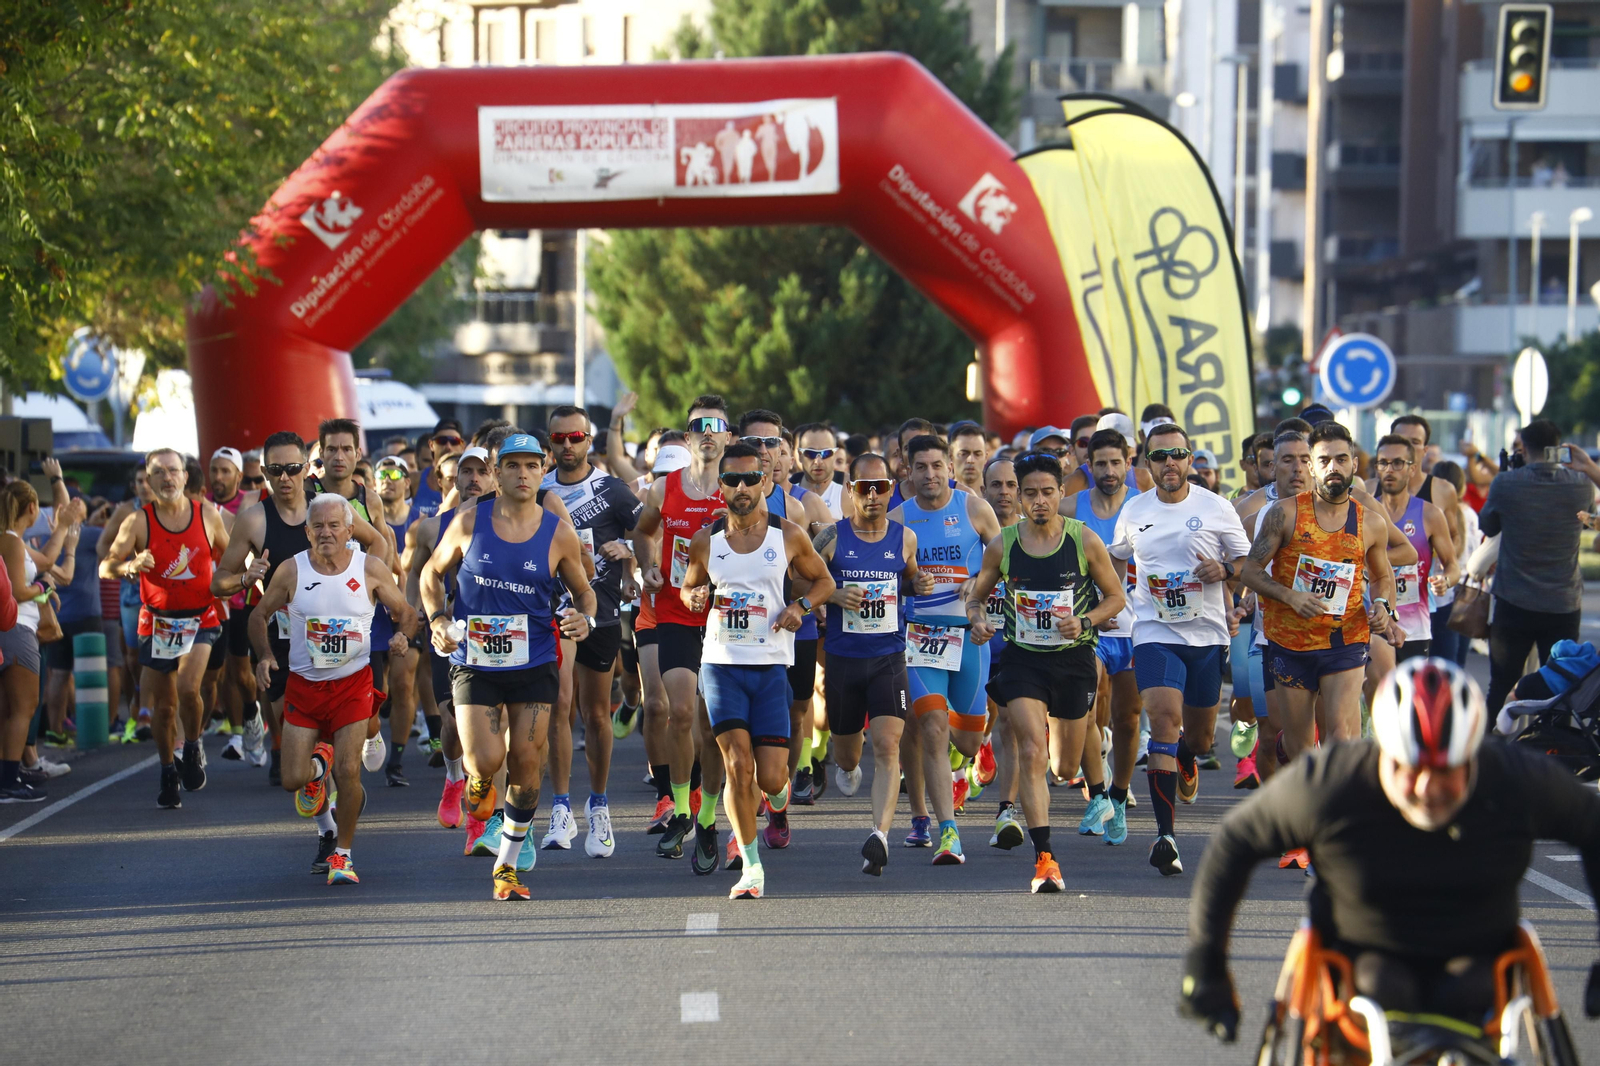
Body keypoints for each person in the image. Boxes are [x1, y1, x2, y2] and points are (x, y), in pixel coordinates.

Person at [1179, 658, 1600, 1042]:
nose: (1426, 788)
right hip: (1363, 961)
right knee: (1383, 986)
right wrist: (1207, 966)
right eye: (1410, 768)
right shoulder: (1334, 783)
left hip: (1476, 956)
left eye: (1446, 771)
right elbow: (1236, 840)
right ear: (1384, 753)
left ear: (1473, 758)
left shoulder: (1512, 780)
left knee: (1470, 989)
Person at [421, 433, 596, 901]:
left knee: (525, 763)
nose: (522, 474)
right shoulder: (467, 522)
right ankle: (476, 782)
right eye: (512, 465)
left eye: (531, 466)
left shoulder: (557, 532)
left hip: (534, 659)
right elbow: (430, 574)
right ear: (496, 474)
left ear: (543, 472)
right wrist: (438, 617)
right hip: (474, 662)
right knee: (485, 761)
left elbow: (584, 590)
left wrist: (586, 616)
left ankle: (507, 866)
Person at [677, 442, 835, 898]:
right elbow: (690, 588)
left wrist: (800, 607)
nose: (742, 487)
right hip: (722, 666)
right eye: (732, 480)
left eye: (751, 479)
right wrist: (694, 598)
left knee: (771, 777)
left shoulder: (787, 535)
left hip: (769, 668)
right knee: (737, 766)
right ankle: (751, 867)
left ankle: (779, 803)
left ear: (765, 482)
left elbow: (823, 581)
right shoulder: (706, 541)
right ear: (721, 487)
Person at [967, 451, 1126, 893]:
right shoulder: (1004, 544)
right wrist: (978, 621)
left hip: (1073, 660)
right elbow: (977, 597)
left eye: (1048, 492)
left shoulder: (1083, 540)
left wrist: (1087, 620)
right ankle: (1045, 860)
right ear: (1018, 495)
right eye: (1030, 493)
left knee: (1062, 765)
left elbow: (1116, 598)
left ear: (1061, 493)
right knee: (1033, 751)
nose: (1039, 501)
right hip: (1023, 660)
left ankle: (1092, 774)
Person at [251, 494, 418, 885]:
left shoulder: (370, 567)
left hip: (353, 683)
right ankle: (317, 766)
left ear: (349, 530)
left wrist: (402, 637)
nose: (326, 532)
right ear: (307, 533)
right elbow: (259, 615)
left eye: (334, 525)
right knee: (292, 778)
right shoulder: (291, 571)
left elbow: (406, 612)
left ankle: (342, 854)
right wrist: (263, 655)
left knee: (348, 771)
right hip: (305, 686)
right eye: (318, 527)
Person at [1107, 423, 1251, 877]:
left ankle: (1188, 758)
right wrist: (1114, 600)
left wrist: (1225, 568)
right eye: (1160, 456)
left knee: (1201, 739)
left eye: (1178, 454)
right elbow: (1115, 558)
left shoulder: (1216, 507)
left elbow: (1248, 563)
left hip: (1206, 635)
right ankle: (1165, 837)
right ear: (1146, 464)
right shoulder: (1134, 509)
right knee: (1164, 722)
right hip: (1153, 631)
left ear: (1189, 459)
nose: (1170, 463)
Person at [211, 432, 388, 787]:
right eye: (275, 470)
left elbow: (378, 542)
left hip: (341, 635)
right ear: (264, 472)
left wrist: (365, 594)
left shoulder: (330, 506)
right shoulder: (254, 520)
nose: (284, 478)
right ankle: (327, 827)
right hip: (284, 643)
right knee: (301, 747)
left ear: (307, 468)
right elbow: (218, 582)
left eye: (293, 468)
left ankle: (367, 738)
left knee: (355, 727)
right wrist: (245, 579)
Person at [1241, 421, 1399, 765]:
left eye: (1342, 459)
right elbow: (1250, 571)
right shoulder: (1283, 514)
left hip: (1346, 639)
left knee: (1342, 738)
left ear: (1355, 464)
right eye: (1324, 460)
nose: (1334, 468)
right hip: (1290, 641)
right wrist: (1290, 596)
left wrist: (1385, 605)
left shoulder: (1370, 522)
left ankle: (1340, 813)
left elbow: (1383, 576)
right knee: (1301, 751)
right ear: (1311, 465)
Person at [812, 452, 931, 874]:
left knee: (887, 745)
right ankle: (845, 765)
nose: (875, 496)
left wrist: (918, 583)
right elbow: (797, 580)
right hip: (843, 660)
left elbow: (911, 579)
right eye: (866, 488)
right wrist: (831, 594)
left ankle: (879, 835)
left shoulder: (904, 538)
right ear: (850, 491)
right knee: (847, 755)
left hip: (888, 657)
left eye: (882, 488)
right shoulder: (830, 538)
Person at [889, 433, 1003, 860]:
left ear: (950, 469)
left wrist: (982, 582)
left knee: (968, 743)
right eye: (922, 467)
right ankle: (948, 832)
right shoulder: (898, 518)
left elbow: (1005, 560)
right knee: (933, 728)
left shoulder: (974, 508)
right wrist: (907, 581)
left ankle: (979, 747)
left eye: (938, 466)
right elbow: (881, 577)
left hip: (971, 637)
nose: (931, 474)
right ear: (909, 471)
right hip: (921, 639)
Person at [101, 448, 232, 808]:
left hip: (201, 616)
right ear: (148, 480)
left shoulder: (206, 514)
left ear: (185, 476)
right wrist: (130, 565)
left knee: (190, 688)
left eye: (173, 471)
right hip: (157, 622)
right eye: (158, 473)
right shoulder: (138, 520)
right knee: (163, 708)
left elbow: (232, 551)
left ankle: (191, 746)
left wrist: (249, 572)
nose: (167, 478)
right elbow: (106, 566)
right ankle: (166, 769)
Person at [539, 405, 642, 858]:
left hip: (599, 612)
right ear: (550, 442)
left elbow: (651, 532)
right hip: (551, 612)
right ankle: (560, 807)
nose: (567, 446)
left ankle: (598, 806)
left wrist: (632, 550)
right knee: (560, 704)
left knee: (596, 713)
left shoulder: (611, 490)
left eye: (575, 437)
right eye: (558, 439)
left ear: (588, 440)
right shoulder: (537, 490)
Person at [631, 396, 731, 860]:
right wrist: (649, 567)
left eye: (716, 426)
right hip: (673, 613)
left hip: (725, 619)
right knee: (681, 713)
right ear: (687, 438)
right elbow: (643, 533)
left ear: (727, 437)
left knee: (712, 729)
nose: (707, 433)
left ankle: (708, 813)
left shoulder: (738, 490)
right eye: (699, 427)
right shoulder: (663, 489)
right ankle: (680, 806)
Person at [1480, 419, 1598, 715]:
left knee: (1502, 684)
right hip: (1563, 603)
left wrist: (1508, 477)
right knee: (1560, 684)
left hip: (1514, 601)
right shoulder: (1581, 485)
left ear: (1524, 448)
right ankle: (1552, 752)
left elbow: (1488, 526)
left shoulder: (1507, 483)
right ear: (1558, 448)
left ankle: (1492, 754)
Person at [1059, 429, 1142, 844]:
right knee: (1086, 712)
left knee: (1127, 719)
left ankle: (1121, 796)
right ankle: (1098, 793)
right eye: (1101, 464)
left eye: (1116, 463)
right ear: (1087, 466)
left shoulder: (1144, 506)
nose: (1109, 471)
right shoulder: (1069, 507)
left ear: (1129, 463)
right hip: (1089, 626)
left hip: (1138, 626)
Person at [0, 478, 77, 802]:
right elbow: (18, 590)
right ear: (31, 508)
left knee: (10, 708)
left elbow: (46, 561)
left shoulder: (12, 539)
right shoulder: (12, 541)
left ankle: (10, 772)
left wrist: (62, 529)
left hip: (17, 627)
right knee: (25, 706)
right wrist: (43, 588)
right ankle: (8, 780)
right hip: (17, 628)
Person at [1372, 434, 1458, 662]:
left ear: (1412, 469)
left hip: (1414, 627)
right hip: (1370, 623)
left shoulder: (1430, 514)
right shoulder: (1364, 511)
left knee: (1409, 697)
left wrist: (1445, 581)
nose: (1390, 469)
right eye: (1383, 462)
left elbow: (1453, 566)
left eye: (1398, 463)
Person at [1425, 459, 1480, 666]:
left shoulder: (1433, 514)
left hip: (1441, 595)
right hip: (1467, 593)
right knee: (1457, 662)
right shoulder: (1470, 514)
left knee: (1439, 660)